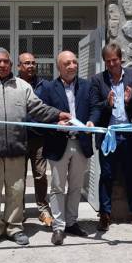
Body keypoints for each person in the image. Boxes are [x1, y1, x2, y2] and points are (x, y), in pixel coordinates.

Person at [0, 48, 71, 249]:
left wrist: (58, 114)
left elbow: (38, 108)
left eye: (6, 61)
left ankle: (14, 227)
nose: (3, 65)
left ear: (11, 65)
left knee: (16, 192)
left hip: (17, 149)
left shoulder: (22, 86)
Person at [90, 43, 132, 231]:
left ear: (120, 59)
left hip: (130, 136)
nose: (112, 64)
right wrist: (107, 104)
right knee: (106, 175)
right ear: (104, 62)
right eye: (108, 61)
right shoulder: (98, 80)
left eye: (115, 60)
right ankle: (105, 214)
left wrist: (131, 101)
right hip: (109, 136)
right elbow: (95, 106)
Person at [40, 51, 95, 245]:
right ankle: (58, 227)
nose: (71, 66)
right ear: (59, 67)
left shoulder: (87, 86)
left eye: (74, 62)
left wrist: (91, 121)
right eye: (66, 63)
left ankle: (72, 222)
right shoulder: (48, 88)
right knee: (57, 187)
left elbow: (95, 107)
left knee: (76, 186)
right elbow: (41, 111)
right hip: (58, 143)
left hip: (81, 142)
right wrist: (56, 122)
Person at [17, 52, 53, 226]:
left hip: (39, 138)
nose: (30, 66)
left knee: (40, 175)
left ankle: (43, 210)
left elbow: (48, 108)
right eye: (26, 63)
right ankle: (19, 211)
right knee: (19, 177)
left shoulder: (44, 85)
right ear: (19, 66)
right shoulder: (12, 85)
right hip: (18, 138)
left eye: (33, 63)